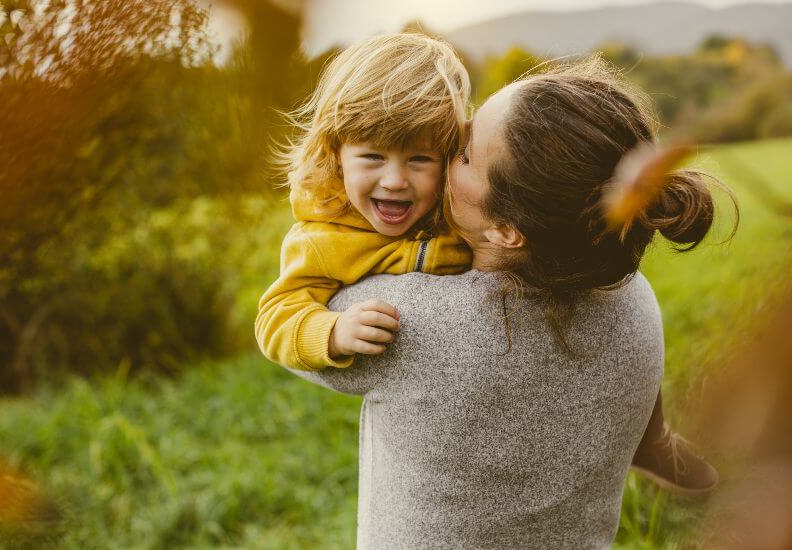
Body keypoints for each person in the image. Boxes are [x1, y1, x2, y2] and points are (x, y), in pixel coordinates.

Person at [275, 58, 734, 548]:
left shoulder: (404, 320)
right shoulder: (632, 296)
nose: (448, 146)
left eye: (464, 153)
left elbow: (293, 321)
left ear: (505, 230)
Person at [255, 33, 472, 372]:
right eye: (373, 157)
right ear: (335, 154)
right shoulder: (322, 239)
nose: (395, 181)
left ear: (447, 160)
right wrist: (333, 332)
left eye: (419, 159)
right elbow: (275, 318)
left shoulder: (461, 210)